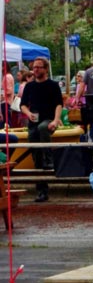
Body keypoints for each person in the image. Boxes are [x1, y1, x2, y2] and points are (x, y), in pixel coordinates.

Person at [20, 57, 63, 203]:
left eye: (39, 67)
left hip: (48, 119)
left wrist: (56, 120)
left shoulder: (53, 85)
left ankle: (49, 158)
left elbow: (59, 104)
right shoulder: (29, 86)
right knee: (36, 156)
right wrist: (28, 114)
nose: (36, 70)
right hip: (34, 121)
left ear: (45, 69)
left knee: (43, 127)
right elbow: (23, 105)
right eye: (34, 67)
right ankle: (42, 190)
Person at [0, 62, 15, 128]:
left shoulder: (7, 77)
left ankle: (8, 137)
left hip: (5, 103)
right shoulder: (7, 76)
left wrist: (2, 95)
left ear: (4, 67)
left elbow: (9, 91)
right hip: (5, 102)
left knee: (6, 123)